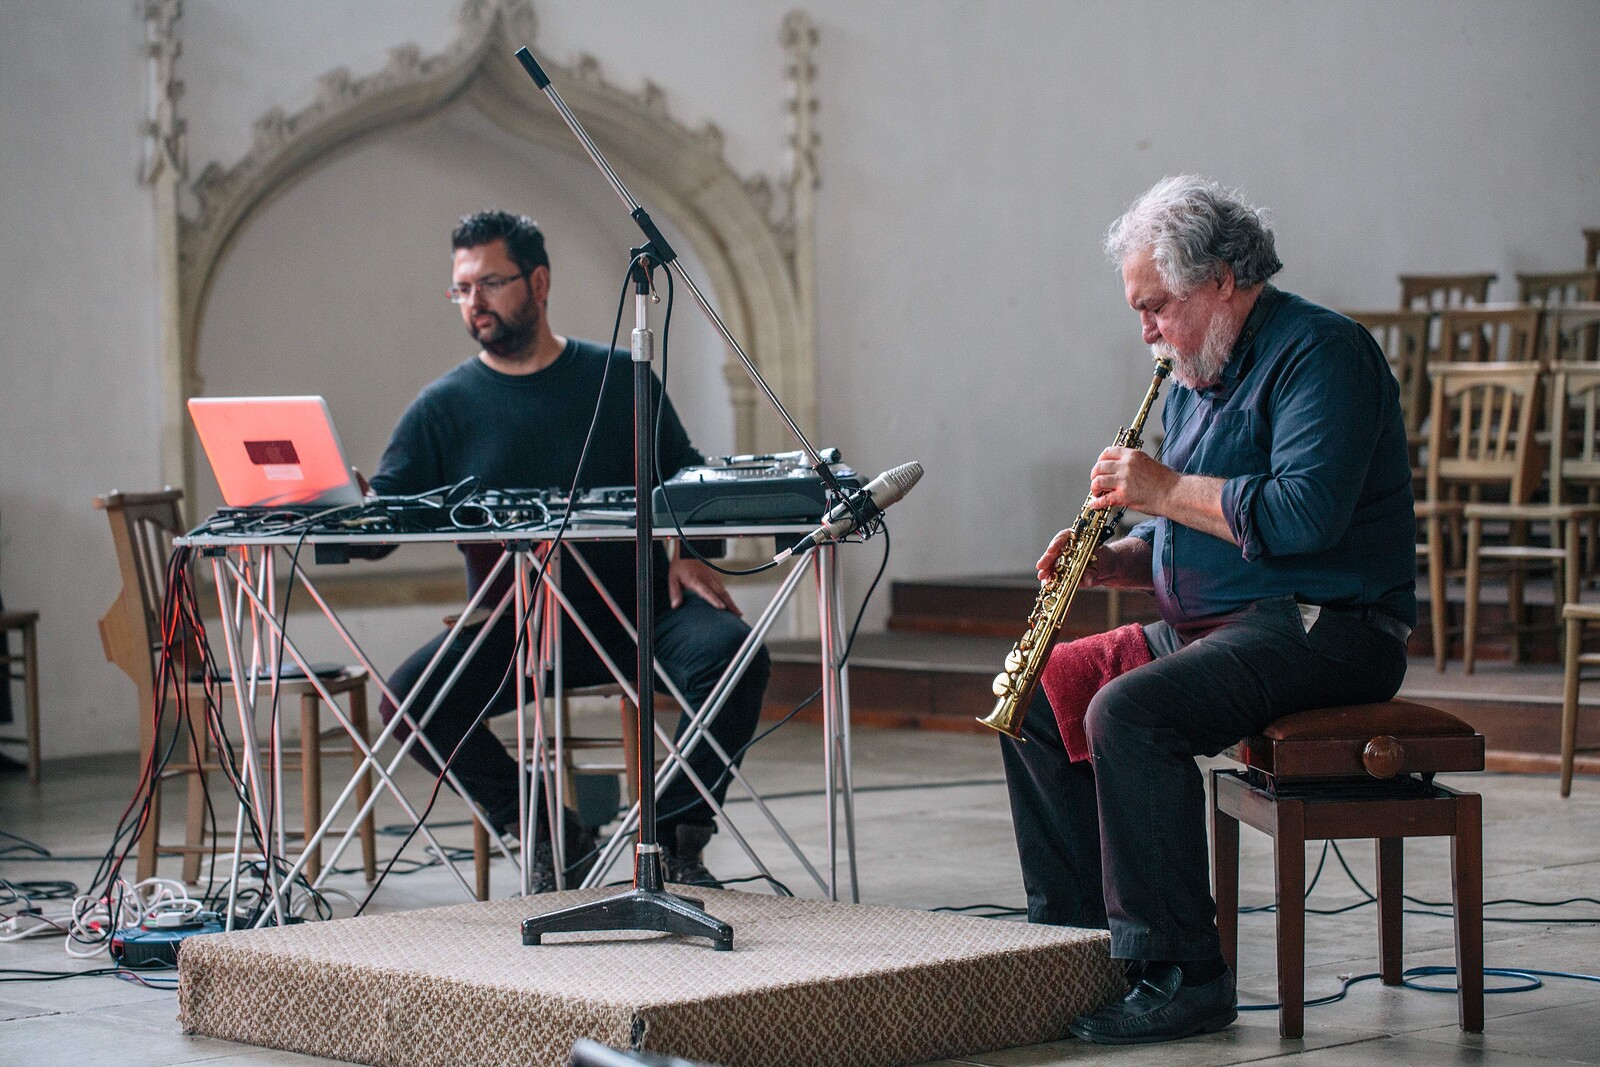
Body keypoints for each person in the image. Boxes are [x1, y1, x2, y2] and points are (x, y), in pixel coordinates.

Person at [1001, 176, 1415, 1044]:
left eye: (1157, 306)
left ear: (1224, 279)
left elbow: (1302, 515)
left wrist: (1158, 488)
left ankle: (1184, 973)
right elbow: (1191, 523)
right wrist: (1119, 557)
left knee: (1129, 713)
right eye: (1140, 310)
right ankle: (1080, 950)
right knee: (1044, 691)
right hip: (1218, 626)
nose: (1147, 330)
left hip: (1324, 626)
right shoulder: (1194, 373)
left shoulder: (1324, 353)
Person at [369, 210, 770, 892]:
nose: (473, 302)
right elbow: (386, 519)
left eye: (490, 283)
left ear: (539, 282)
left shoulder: (621, 376)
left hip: (641, 611)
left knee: (736, 654)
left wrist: (691, 551)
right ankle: (551, 832)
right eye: (462, 288)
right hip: (517, 629)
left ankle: (674, 838)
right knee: (411, 699)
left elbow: (687, 476)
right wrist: (351, 507)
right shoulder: (443, 406)